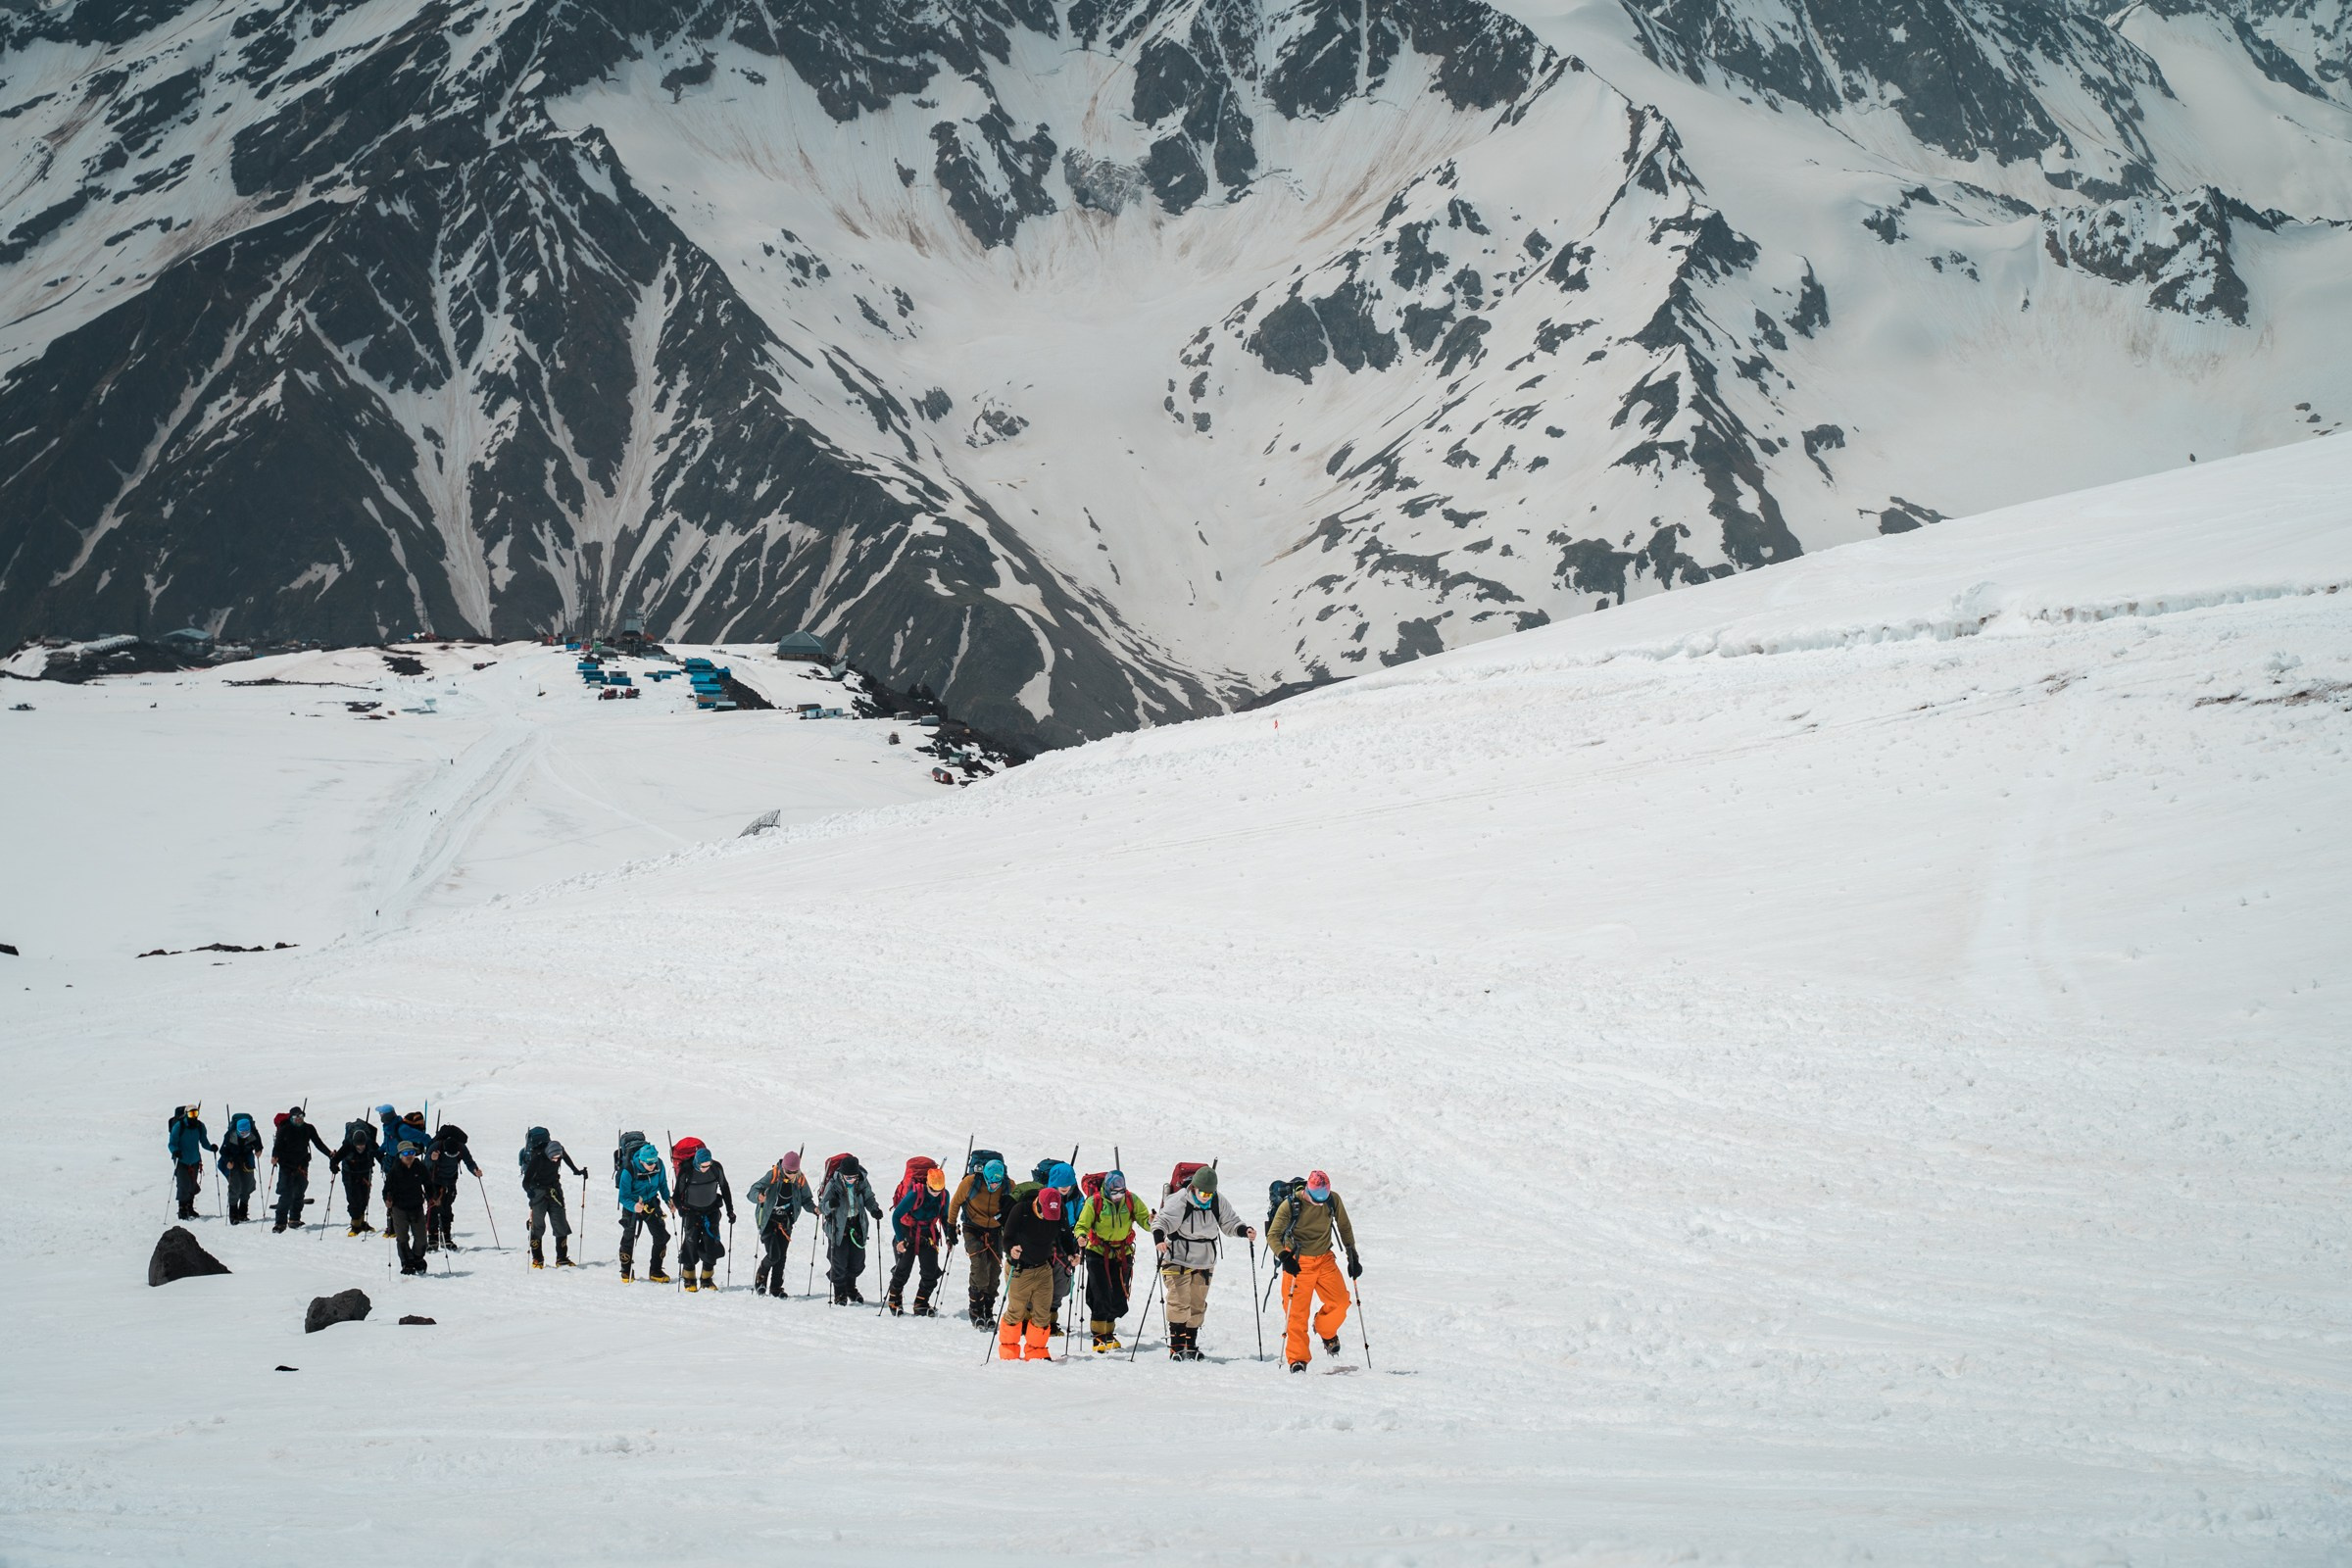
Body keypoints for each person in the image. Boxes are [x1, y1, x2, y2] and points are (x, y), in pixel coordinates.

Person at [1151, 1165, 1253, 1361]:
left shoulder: (1217, 1200)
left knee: (1197, 1304)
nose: (1206, 1196)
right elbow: (1161, 1222)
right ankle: (1177, 1347)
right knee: (1179, 1301)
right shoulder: (1180, 1199)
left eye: (1210, 1192)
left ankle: (1191, 1345)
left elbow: (1230, 1222)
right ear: (1194, 1187)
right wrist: (1159, 1240)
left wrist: (1243, 1230)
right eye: (1203, 1192)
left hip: (1205, 1261)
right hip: (1177, 1258)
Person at [1270, 1170, 1361, 1371]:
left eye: (1324, 1196)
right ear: (1308, 1191)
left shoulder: (1332, 1199)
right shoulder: (1291, 1205)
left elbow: (1344, 1226)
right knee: (1296, 1314)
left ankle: (1325, 1330)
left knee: (1340, 1302)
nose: (1320, 1202)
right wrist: (1284, 1256)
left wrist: (1351, 1253)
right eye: (1317, 1197)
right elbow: (1273, 1235)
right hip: (1298, 1262)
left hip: (1325, 1259)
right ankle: (1298, 1360)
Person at [1074, 1170, 1153, 1352]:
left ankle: (1109, 1333)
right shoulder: (1094, 1202)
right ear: (1107, 1189)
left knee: (1118, 1294)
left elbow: (1143, 1219)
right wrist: (1081, 1236)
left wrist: (1154, 1223)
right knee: (1101, 1293)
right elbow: (1082, 1225)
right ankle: (1098, 1335)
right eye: (1114, 1192)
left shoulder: (1131, 1199)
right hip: (1097, 1253)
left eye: (1121, 1192)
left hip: (1121, 1253)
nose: (1118, 1196)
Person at [997, 1180, 1075, 1361]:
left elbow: (1064, 1236)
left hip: (1043, 1269)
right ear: (1038, 1204)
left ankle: (1037, 1352)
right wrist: (1011, 1249)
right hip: (1019, 1269)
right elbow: (1006, 1237)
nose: (1049, 1218)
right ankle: (1009, 1351)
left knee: (1042, 1313)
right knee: (1016, 1311)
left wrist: (1071, 1253)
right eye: (1046, 1213)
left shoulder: (1059, 1211)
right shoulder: (1021, 1211)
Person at [947, 1156, 1014, 1328]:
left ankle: (988, 1310)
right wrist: (950, 1227)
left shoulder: (1009, 1185)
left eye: (997, 1183)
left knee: (993, 1272)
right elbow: (955, 1203)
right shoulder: (970, 1182)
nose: (993, 1186)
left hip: (995, 1230)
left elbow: (1015, 1209)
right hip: (973, 1228)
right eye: (991, 1182)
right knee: (979, 1267)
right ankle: (975, 1309)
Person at [747, 1152, 816, 1298]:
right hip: (767, 1220)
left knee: (782, 1256)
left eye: (794, 1172)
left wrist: (814, 1209)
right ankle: (761, 1278)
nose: (791, 1175)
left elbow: (806, 1199)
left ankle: (776, 1288)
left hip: (786, 1221)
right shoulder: (773, 1175)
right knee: (774, 1254)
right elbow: (752, 1191)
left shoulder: (800, 1179)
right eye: (788, 1172)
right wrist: (759, 1196)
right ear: (783, 1168)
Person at [887, 1161, 950, 1316]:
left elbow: (944, 1216)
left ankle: (921, 1303)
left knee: (931, 1271)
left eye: (938, 1190)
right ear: (927, 1184)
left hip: (928, 1234)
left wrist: (949, 1236)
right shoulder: (916, 1193)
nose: (935, 1193)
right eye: (933, 1189)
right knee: (903, 1269)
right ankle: (894, 1300)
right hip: (909, 1231)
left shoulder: (944, 1194)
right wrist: (900, 1239)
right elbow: (896, 1216)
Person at [818, 1154, 882, 1306]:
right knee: (839, 1261)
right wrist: (830, 1205)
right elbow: (822, 1206)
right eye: (847, 1177)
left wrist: (874, 1210)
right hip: (838, 1228)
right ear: (841, 1174)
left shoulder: (862, 1181)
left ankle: (850, 1287)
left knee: (857, 1262)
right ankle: (840, 1292)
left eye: (853, 1177)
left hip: (857, 1225)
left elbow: (869, 1198)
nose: (851, 1180)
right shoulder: (833, 1184)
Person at [518, 1126, 585, 1269]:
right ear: (547, 1154)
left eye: (557, 1158)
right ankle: (537, 1258)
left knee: (560, 1223)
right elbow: (526, 1181)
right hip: (538, 1192)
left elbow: (566, 1158)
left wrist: (576, 1171)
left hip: (555, 1190)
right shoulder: (537, 1159)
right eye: (553, 1158)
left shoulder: (558, 1150)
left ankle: (561, 1258)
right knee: (538, 1225)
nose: (556, 1161)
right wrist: (529, 1192)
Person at [674, 1143, 735, 1293]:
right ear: (696, 1162)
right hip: (691, 1212)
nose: (705, 1169)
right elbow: (676, 1195)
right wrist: (681, 1210)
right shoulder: (686, 1170)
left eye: (708, 1165)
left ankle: (706, 1279)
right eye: (703, 1166)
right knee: (690, 1243)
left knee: (711, 1243)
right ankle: (689, 1278)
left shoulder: (716, 1168)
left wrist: (730, 1211)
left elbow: (725, 1188)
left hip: (711, 1211)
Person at [270, 1106, 338, 1234]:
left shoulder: (308, 1128)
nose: (299, 1120)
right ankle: (280, 1222)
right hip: (286, 1166)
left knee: (299, 1192)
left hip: (302, 1165)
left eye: (301, 1117)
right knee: (286, 1194)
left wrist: (329, 1154)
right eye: (296, 1118)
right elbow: (277, 1145)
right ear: (291, 1118)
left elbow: (318, 1143)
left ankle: (295, 1219)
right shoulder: (285, 1129)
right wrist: (274, 1156)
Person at [615, 1137, 672, 1284]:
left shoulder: (659, 1165)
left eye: (654, 1162)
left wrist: (668, 1200)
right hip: (632, 1205)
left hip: (651, 1203)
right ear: (641, 1160)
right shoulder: (629, 1170)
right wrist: (634, 1206)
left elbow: (663, 1185)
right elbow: (623, 1196)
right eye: (649, 1163)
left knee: (661, 1236)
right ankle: (626, 1271)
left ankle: (656, 1270)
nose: (652, 1165)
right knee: (629, 1236)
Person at [423, 1123, 479, 1250]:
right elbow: (425, 1164)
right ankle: (433, 1238)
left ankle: (445, 1238)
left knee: (446, 1208)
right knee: (433, 1208)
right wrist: (432, 1158)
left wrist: (475, 1170)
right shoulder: (436, 1147)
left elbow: (469, 1161)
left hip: (450, 1182)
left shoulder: (461, 1148)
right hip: (434, 1181)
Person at [384, 1140, 431, 1275]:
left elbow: (427, 1183)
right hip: (399, 1209)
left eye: (412, 1152)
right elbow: (387, 1190)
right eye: (406, 1153)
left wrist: (432, 1196)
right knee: (403, 1238)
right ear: (400, 1155)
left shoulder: (419, 1167)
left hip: (416, 1207)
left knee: (422, 1238)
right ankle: (406, 1263)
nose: (409, 1156)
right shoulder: (395, 1170)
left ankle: (417, 1259)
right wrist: (387, 1200)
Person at [168, 1105, 215, 1219]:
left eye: (195, 1114)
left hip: (194, 1159)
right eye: (191, 1114)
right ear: (186, 1114)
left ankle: (190, 1207)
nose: (193, 1117)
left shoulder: (200, 1126)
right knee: (183, 1184)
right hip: (181, 1159)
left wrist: (211, 1147)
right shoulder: (179, 1126)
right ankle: (182, 1209)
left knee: (192, 1183)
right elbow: (172, 1143)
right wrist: (175, 1151)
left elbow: (204, 1142)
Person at [216, 1111, 263, 1225]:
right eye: (242, 1132)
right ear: (237, 1130)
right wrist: (228, 1162)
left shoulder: (253, 1133)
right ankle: (233, 1214)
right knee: (235, 1186)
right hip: (232, 1161)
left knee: (247, 1185)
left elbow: (258, 1144)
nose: (244, 1134)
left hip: (247, 1161)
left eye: (246, 1132)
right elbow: (223, 1151)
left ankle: (243, 1213)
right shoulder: (230, 1135)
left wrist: (258, 1150)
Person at [340, 1116, 380, 1234]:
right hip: (350, 1174)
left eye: (362, 1145)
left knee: (364, 1197)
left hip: (365, 1172)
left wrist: (384, 1163)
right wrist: (334, 1166)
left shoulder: (370, 1143)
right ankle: (355, 1225)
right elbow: (337, 1158)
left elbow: (378, 1155)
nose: (361, 1147)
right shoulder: (348, 1145)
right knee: (353, 1199)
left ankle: (361, 1222)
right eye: (358, 1145)